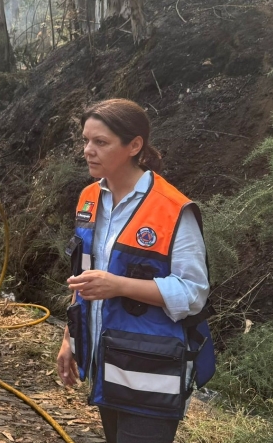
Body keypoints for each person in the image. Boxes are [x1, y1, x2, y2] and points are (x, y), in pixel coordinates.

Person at [56, 99, 215, 443]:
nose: (88, 150)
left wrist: (119, 286)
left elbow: (193, 293)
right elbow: (84, 275)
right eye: (85, 140)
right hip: (107, 364)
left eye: (101, 142)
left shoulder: (173, 209)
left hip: (151, 371)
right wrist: (70, 337)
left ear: (134, 146)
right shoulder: (89, 199)